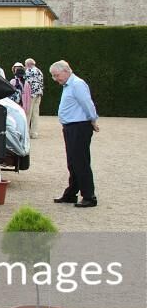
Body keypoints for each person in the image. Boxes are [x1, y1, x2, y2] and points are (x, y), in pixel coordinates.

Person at [50, 60, 99, 207]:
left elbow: (87, 103)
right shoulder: (68, 85)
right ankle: (71, 193)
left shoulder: (77, 84)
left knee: (81, 162)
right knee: (72, 162)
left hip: (79, 127)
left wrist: (93, 120)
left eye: (56, 75)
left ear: (66, 71)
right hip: (71, 127)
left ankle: (89, 196)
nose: (55, 79)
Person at [24, 58, 44, 138]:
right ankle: (34, 133)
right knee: (35, 114)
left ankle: (26, 132)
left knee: (28, 113)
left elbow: (27, 83)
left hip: (31, 94)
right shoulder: (39, 71)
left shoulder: (28, 71)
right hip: (39, 93)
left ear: (28, 64)